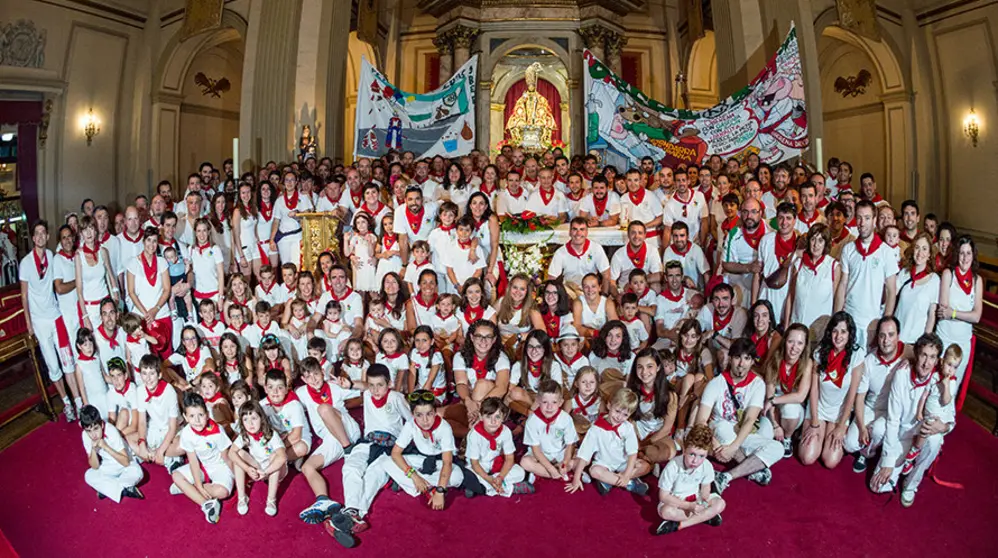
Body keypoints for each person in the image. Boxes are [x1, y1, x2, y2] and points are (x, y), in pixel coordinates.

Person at [869, 334, 950, 507]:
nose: (926, 363)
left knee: (935, 440)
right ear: (916, 355)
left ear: (937, 361)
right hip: (900, 432)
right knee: (876, 487)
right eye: (923, 355)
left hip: (919, 434)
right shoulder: (902, 373)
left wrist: (944, 426)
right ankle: (891, 459)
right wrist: (889, 462)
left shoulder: (941, 382)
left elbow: (951, 420)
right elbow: (893, 419)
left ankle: (911, 484)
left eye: (932, 357)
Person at [332, 364, 412, 536]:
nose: (376, 390)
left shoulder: (396, 397)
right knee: (350, 467)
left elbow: (411, 422)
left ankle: (357, 514)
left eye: (380, 385)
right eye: (372, 385)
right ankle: (351, 509)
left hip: (389, 446)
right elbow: (362, 385)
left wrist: (403, 447)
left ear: (389, 384)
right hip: (368, 442)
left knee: (373, 475)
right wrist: (350, 384)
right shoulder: (367, 393)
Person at [695, 337, 782, 495]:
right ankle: (755, 466)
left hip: (743, 431)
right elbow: (701, 420)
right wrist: (714, 444)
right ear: (730, 358)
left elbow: (750, 419)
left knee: (778, 447)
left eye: (747, 358)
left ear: (752, 361)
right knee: (721, 428)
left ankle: (726, 476)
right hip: (722, 430)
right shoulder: (716, 383)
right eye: (737, 357)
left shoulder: (757, 384)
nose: (741, 364)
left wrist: (734, 447)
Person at [20, 220, 77, 420]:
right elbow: (24, 296)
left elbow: (69, 248)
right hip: (40, 322)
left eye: (44, 232)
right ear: (33, 238)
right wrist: (29, 324)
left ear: (47, 237)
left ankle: (78, 401)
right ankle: (67, 403)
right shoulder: (26, 263)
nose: (42, 236)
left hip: (56, 316)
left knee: (67, 359)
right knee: (53, 365)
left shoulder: (52, 256)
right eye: (38, 233)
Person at [798, 311, 865, 468]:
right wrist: (814, 421)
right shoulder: (820, 352)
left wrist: (841, 425)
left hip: (840, 412)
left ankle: (827, 436)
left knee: (830, 461)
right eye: (835, 331)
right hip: (819, 408)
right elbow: (813, 390)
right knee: (808, 457)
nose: (838, 336)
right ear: (830, 332)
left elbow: (852, 394)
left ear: (850, 334)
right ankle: (814, 433)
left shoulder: (856, 355)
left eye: (843, 331)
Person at [836, 200, 899, 351]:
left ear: (875, 220)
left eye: (867, 218)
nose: (862, 223)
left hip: (872, 323)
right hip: (849, 320)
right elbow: (842, 285)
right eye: (859, 218)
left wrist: (884, 324)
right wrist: (837, 319)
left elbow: (891, 291)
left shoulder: (886, 252)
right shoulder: (848, 249)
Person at [844, 317, 904, 473]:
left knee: (878, 430)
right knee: (849, 445)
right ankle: (864, 439)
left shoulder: (905, 360)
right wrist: (862, 426)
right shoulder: (869, 361)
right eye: (882, 335)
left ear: (898, 336)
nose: (886, 340)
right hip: (870, 407)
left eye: (891, 335)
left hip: (889, 411)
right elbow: (860, 398)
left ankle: (867, 452)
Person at [565, 387, 651, 496]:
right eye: (617, 411)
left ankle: (610, 480)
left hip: (622, 463)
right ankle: (630, 484)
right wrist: (576, 479)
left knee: (645, 466)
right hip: (604, 464)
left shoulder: (628, 427)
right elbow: (584, 455)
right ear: (609, 405)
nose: (619, 417)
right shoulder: (595, 429)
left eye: (625, 415)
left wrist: (626, 474)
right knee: (594, 471)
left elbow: (632, 453)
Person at [172, 392, 233, 524]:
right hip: (202, 466)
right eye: (192, 416)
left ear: (207, 414)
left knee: (222, 492)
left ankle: (187, 489)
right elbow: (193, 461)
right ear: (185, 417)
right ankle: (206, 504)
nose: (197, 420)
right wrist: (199, 486)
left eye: (201, 415)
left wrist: (238, 478)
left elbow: (227, 458)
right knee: (176, 475)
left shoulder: (217, 431)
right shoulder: (187, 433)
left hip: (220, 466)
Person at [652, 424, 725, 535]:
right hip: (677, 501)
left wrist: (703, 502)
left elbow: (706, 489)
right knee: (666, 512)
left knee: (720, 504)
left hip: (696, 498)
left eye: (701, 456)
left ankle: (680, 525)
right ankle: (706, 517)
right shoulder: (673, 466)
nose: (695, 461)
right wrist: (688, 506)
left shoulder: (706, 465)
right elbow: (664, 496)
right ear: (684, 449)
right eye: (692, 454)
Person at [901, 344, 961, 474]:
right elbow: (924, 395)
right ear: (942, 361)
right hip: (926, 411)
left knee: (928, 430)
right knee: (921, 428)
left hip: (937, 416)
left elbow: (947, 401)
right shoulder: (934, 375)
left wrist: (945, 386)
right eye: (949, 365)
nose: (951, 370)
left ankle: (914, 452)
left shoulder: (952, 383)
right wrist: (919, 411)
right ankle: (911, 456)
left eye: (955, 367)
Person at [446, 320, 511, 437]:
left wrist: (478, 406)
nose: (483, 341)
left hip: (491, 406)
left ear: (494, 339)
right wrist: (468, 401)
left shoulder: (501, 357)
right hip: (469, 402)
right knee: (439, 415)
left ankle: (476, 428)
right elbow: (461, 384)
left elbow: (501, 388)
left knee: (482, 384)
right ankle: (472, 433)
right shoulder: (460, 356)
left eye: (488, 337)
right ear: (471, 337)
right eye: (479, 336)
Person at [935, 235, 982, 387]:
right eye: (962, 253)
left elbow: (977, 317)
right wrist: (962, 314)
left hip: (963, 344)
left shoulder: (977, 280)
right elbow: (943, 310)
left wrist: (953, 313)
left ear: (973, 255)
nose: (965, 257)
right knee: (936, 384)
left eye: (969, 253)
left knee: (952, 388)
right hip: (945, 338)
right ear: (957, 254)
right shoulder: (948, 274)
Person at [762, 324, 813, 458]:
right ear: (785, 341)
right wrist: (775, 425)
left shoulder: (807, 363)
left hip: (793, 410)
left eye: (800, 343)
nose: (794, 348)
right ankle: (777, 431)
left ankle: (788, 438)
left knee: (790, 409)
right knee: (764, 434)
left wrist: (774, 400)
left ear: (805, 346)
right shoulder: (774, 361)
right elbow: (769, 396)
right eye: (791, 342)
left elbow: (800, 397)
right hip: (773, 410)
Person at [230, 400, 288, 516]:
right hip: (259, 467)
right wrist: (247, 468)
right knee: (239, 454)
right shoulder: (245, 435)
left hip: (274, 470)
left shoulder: (271, 434)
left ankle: (271, 500)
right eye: (245, 420)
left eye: (254, 418)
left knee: (274, 456)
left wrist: (266, 472)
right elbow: (231, 453)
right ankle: (242, 497)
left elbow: (282, 457)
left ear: (261, 418)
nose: (250, 423)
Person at [465, 397, 532, 497]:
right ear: (481, 416)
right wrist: (489, 479)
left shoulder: (505, 431)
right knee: (468, 475)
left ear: (503, 417)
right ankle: (511, 488)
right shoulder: (474, 435)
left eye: (497, 417)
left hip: (495, 463)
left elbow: (509, 458)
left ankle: (484, 488)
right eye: (488, 417)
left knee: (520, 472)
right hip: (479, 465)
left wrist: (500, 477)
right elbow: (474, 463)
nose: (493, 421)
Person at [79, 404, 144, 503]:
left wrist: (105, 446)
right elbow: (95, 466)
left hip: (125, 464)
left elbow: (126, 462)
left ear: (101, 424)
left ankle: (109, 489)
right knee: (89, 475)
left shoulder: (111, 430)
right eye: (89, 431)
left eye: (96, 429)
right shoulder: (85, 435)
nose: (93, 435)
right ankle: (123, 490)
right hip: (108, 466)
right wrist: (93, 449)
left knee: (137, 472)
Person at [627, 348, 679, 465]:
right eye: (640, 367)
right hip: (636, 432)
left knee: (669, 452)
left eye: (649, 366)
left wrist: (645, 444)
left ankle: (639, 458)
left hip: (658, 435)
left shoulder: (670, 395)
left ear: (659, 367)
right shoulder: (632, 391)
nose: (644, 372)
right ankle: (643, 462)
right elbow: (630, 420)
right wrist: (636, 438)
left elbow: (666, 428)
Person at [126, 227, 172, 358]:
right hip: (141, 318)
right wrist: (147, 314)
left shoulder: (162, 262)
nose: (151, 244)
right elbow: (131, 292)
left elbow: (167, 289)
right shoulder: (133, 263)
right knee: (146, 358)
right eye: (149, 240)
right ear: (143, 241)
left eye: (155, 241)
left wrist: (155, 310)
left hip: (161, 314)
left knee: (166, 356)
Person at [521, 379, 579, 482]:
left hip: (560, 452)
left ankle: (553, 471)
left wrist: (565, 462)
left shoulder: (565, 418)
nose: (549, 407)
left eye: (554, 402)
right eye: (544, 402)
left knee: (582, 458)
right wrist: (551, 469)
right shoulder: (532, 421)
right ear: (538, 401)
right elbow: (536, 450)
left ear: (561, 402)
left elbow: (570, 444)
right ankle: (557, 474)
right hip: (541, 454)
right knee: (525, 462)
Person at [784, 223, 839, 330]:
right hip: (797, 325)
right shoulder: (799, 263)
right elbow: (791, 297)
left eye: (820, 240)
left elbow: (836, 300)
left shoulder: (833, 266)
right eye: (813, 239)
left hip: (820, 331)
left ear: (826, 244)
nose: (816, 245)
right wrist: (787, 326)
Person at [755, 202, 798, 321]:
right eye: (781, 218)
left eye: (788, 218)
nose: (784, 223)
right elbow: (757, 275)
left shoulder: (800, 244)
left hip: (787, 300)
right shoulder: (766, 240)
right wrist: (753, 304)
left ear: (795, 220)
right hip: (766, 296)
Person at [895, 233, 939, 344]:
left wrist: (924, 342)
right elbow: (891, 298)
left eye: (924, 249)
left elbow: (931, 315)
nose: (920, 253)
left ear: (929, 254)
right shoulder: (904, 273)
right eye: (917, 248)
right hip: (896, 336)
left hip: (915, 341)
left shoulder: (934, 280)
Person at [721, 197, 765, 308]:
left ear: (761, 213)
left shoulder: (770, 232)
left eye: (754, 212)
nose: (749, 216)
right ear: (740, 213)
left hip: (765, 287)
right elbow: (726, 264)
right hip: (742, 287)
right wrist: (749, 268)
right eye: (745, 212)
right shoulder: (734, 234)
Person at [548, 218, 611, 295]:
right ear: (570, 232)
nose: (578, 233)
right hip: (569, 290)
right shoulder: (560, 252)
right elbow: (552, 278)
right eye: (575, 229)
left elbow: (606, 275)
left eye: (582, 229)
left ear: (587, 232)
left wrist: (604, 297)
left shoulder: (596, 248)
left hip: (590, 289)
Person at [269, 171, 314, 266]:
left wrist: (298, 214)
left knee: (297, 264)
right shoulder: (279, 200)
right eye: (287, 180)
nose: (289, 183)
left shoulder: (303, 197)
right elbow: (276, 221)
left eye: (292, 180)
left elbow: (309, 215)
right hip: (284, 237)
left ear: (296, 182)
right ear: (284, 183)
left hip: (298, 236)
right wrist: (272, 239)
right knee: (285, 265)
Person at [610, 221, 663, 294]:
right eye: (633, 233)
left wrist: (636, 282)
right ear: (628, 235)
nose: (636, 236)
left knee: (656, 286)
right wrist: (617, 296)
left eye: (640, 233)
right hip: (625, 290)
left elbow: (659, 275)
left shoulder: (652, 250)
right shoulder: (619, 254)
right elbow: (612, 280)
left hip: (644, 287)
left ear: (645, 235)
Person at [662, 221, 709, 290]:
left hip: (695, 289)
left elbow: (706, 273)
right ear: (672, 236)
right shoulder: (668, 251)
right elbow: (667, 275)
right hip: (676, 289)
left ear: (688, 236)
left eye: (682, 235)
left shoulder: (696, 249)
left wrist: (707, 295)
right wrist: (685, 278)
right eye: (675, 236)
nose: (678, 239)